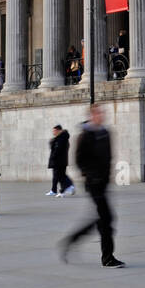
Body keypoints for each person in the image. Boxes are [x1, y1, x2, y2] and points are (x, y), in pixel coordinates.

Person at [60, 104, 125, 267]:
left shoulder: (105, 133)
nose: (101, 116)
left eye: (102, 113)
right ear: (91, 116)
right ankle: (108, 257)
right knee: (107, 218)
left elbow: (109, 156)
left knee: (102, 219)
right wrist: (91, 175)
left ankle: (73, 240)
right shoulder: (85, 136)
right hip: (93, 183)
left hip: (102, 182)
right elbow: (79, 160)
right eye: (98, 113)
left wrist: (107, 175)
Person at [47, 124, 75, 197]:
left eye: (55, 131)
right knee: (59, 176)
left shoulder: (61, 139)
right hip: (59, 161)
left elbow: (57, 150)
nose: (54, 132)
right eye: (53, 131)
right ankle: (59, 190)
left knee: (60, 176)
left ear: (59, 130)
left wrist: (53, 157)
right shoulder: (60, 138)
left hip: (59, 161)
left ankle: (68, 187)